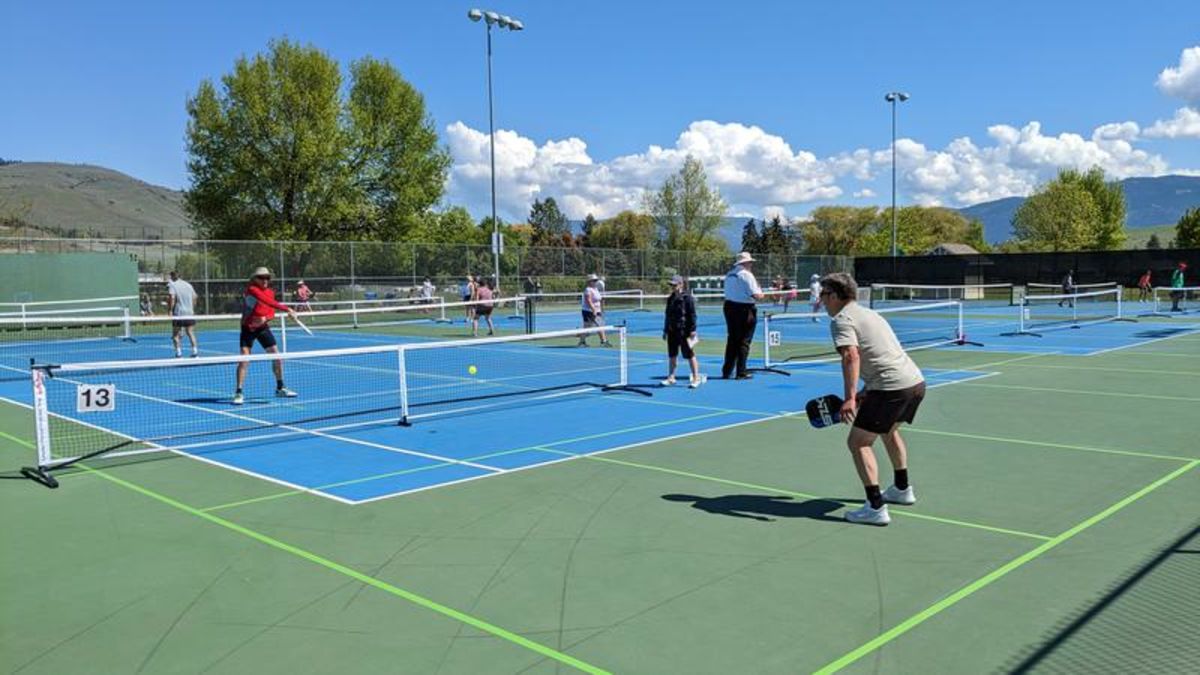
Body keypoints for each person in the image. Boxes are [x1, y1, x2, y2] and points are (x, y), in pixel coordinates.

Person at [819, 272, 926, 526]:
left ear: (835, 296)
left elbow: (851, 356)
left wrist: (850, 398)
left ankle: (875, 507)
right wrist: (866, 391)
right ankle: (902, 489)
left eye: (823, 294)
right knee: (888, 430)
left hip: (891, 388)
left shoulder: (842, 320)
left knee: (858, 443)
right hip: (915, 383)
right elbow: (884, 354)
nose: (821, 300)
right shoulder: (870, 314)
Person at [233, 267, 300, 405]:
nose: (265, 280)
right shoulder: (252, 289)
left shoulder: (270, 292)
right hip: (248, 328)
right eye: (261, 278)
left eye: (267, 278)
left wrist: (265, 318)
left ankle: (280, 387)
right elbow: (267, 301)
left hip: (262, 328)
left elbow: (271, 311)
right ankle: (238, 392)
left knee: (277, 356)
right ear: (255, 279)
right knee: (244, 360)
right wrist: (287, 309)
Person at [721, 252, 766, 379]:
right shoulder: (747, 275)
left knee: (732, 339)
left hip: (730, 307)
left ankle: (727, 370)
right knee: (744, 341)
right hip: (745, 309)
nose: (751, 264)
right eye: (750, 262)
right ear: (745, 263)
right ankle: (741, 371)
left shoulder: (729, 274)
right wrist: (762, 294)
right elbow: (756, 295)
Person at [662, 275, 705, 388]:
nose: (673, 287)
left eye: (674, 285)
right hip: (672, 330)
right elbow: (667, 315)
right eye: (671, 285)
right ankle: (671, 377)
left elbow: (692, 315)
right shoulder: (670, 299)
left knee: (689, 354)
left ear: (681, 284)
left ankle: (696, 378)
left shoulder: (688, 298)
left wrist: (693, 329)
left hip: (684, 331)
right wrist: (665, 330)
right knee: (672, 355)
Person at [166, 270, 199, 358]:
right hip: (189, 313)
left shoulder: (172, 285)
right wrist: (191, 308)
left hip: (178, 314)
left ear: (172, 277)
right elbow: (195, 297)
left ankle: (178, 354)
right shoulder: (188, 285)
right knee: (190, 333)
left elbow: (172, 298)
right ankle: (195, 352)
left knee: (175, 335)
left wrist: (170, 310)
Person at [578, 274, 610, 347]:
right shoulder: (588, 290)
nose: (595, 282)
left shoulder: (595, 289)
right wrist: (593, 310)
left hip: (596, 310)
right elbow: (588, 300)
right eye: (594, 280)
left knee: (588, 327)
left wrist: (601, 309)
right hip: (588, 311)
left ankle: (582, 342)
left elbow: (599, 299)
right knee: (600, 325)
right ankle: (603, 341)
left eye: (596, 280)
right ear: (589, 282)